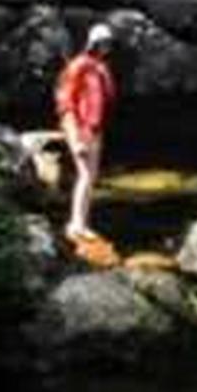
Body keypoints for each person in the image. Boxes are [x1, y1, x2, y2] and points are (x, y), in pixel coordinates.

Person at [54, 23, 117, 241]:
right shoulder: (78, 66)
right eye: (103, 43)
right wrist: (75, 136)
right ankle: (75, 224)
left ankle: (82, 223)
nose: (106, 47)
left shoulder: (100, 67)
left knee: (91, 178)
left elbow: (105, 100)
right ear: (93, 43)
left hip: (95, 129)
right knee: (85, 175)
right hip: (80, 128)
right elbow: (65, 103)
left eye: (109, 43)